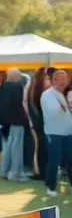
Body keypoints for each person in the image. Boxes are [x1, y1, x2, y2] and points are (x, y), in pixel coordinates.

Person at [0, 68, 30, 183]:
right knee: (17, 148)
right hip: (16, 122)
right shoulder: (17, 87)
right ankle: (15, 173)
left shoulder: (1, 87)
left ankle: (3, 171)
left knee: (7, 148)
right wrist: (24, 120)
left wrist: (2, 116)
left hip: (4, 122)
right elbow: (18, 105)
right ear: (16, 77)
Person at [41, 70, 72, 198]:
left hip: (67, 133)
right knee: (55, 160)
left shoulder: (61, 94)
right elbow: (54, 111)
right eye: (61, 79)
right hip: (54, 133)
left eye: (65, 78)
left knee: (70, 160)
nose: (64, 82)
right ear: (54, 80)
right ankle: (51, 187)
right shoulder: (48, 95)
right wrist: (68, 105)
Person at [28, 67, 50, 180]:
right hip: (41, 124)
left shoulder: (34, 91)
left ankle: (41, 172)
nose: (49, 80)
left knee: (40, 148)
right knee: (41, 148)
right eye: (46, 78)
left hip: (39, 123)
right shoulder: (39, 93)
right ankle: (42, 172)